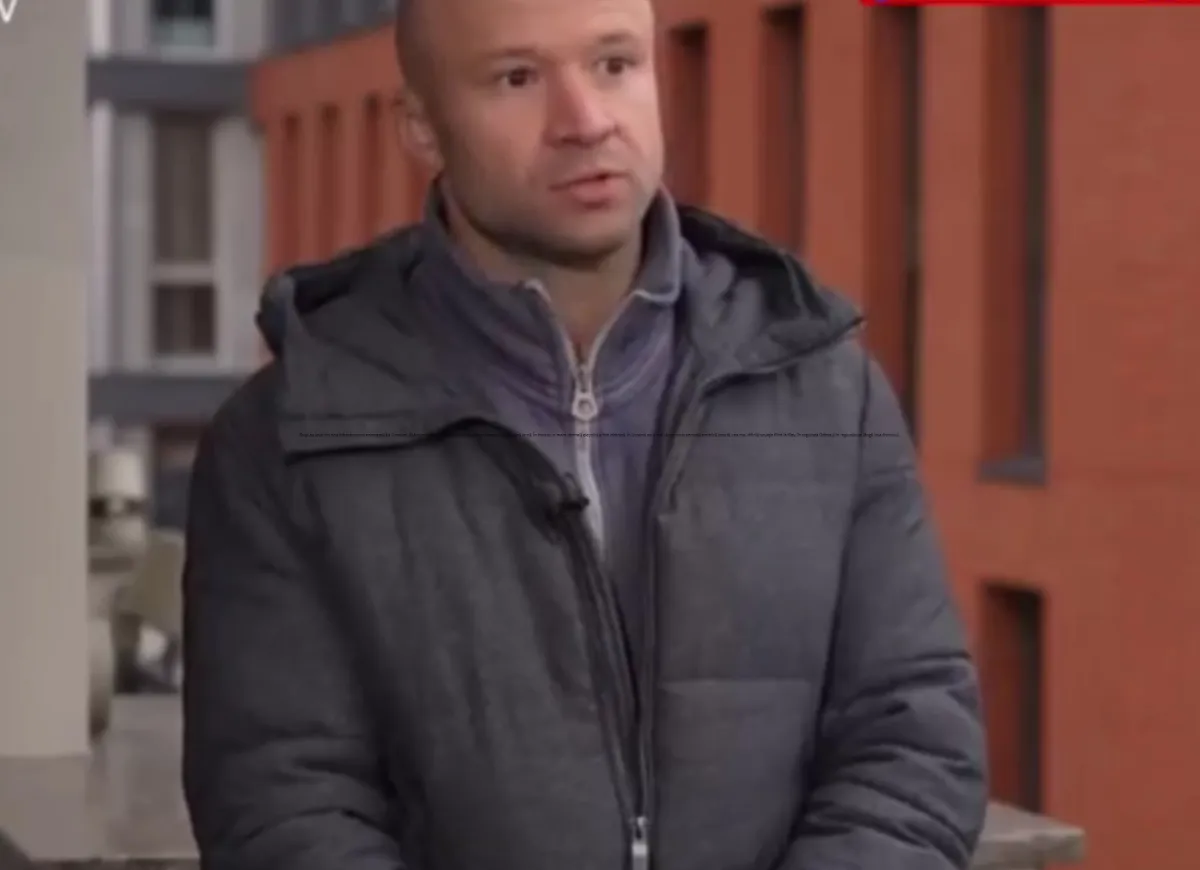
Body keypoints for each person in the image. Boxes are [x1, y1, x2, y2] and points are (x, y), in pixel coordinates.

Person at [181, 0, 988, 867]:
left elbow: (912, 740)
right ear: (421, 126)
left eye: (614, 65)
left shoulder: (825, 393)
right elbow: (283, 804)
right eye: (517, 78)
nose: (586, 120)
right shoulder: (287, 440)